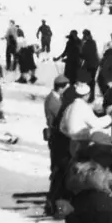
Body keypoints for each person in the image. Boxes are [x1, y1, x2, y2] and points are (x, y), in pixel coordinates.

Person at [44, 76, 75, 214]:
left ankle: (56, 197)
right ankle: (54, 199)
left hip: (58, 137)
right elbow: (63, 117)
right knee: (59, 169)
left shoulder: (56, 98)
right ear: (61, 87)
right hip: (57, 138)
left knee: (60, 169)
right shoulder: (53, 102)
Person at [80, 30, 100, 104]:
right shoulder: (92, 42)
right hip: (93, 64)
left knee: (90, 81)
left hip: (90, 64)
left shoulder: (89, 43)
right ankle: (91, 96)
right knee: (91, 81)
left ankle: (90, 97)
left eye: (84, 35)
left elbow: (84, 54)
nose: (83, 36)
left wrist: (82, 44)